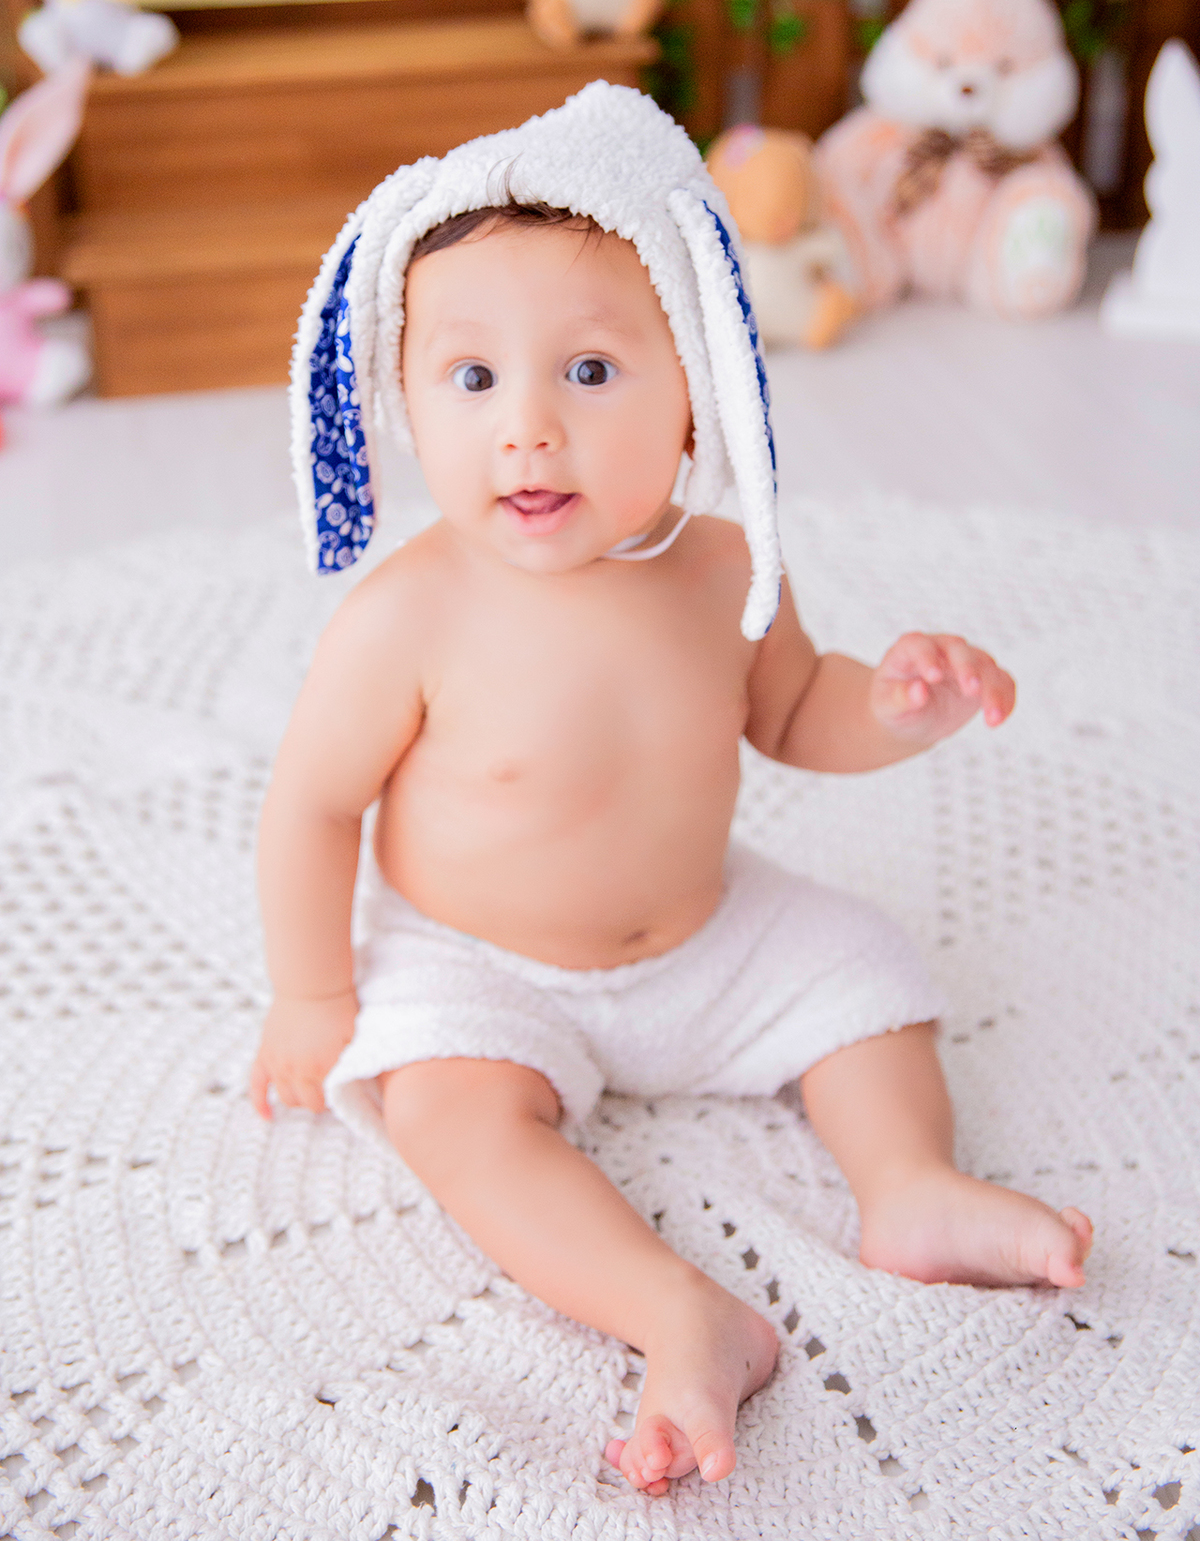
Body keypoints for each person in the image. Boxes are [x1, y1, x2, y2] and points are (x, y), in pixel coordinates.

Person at [251, 84, 1092, 1499]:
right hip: (484, 967)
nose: (528, 430)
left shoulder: (722, 572)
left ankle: (908, 1187)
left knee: (866, 963)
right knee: (449, 1119)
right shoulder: (408, 618)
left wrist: (894, 706)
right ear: (404, 401)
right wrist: (313, 997)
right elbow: (312, 806)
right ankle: (674, 1311)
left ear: (696, 382)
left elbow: (796, 714)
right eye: (472, 380)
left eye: (589, 372)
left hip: (708, 935)